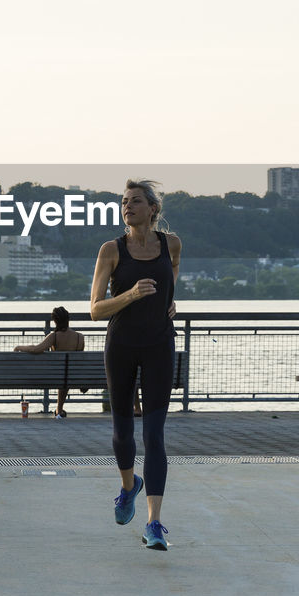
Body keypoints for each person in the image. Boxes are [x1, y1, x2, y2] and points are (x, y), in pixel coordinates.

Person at [89, 179, 181, 551]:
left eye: (135, 201)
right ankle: (129, 487)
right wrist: (130, 294)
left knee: (154, 435)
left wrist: (168, 303)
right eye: (124, 202)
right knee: (124, 432)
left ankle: (154, 523)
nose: (127, 207)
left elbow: (171, 277)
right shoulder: (111, 250)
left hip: (160, 344)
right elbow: (95, 310)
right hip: (121, 345)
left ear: (153, 209)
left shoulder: (170, 245)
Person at [13, 306, 85, 419]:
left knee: (62, 374)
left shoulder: (54, 336)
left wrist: (19, 347)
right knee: (66, 373)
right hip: (73, 375)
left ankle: (59, 410)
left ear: (55, 321)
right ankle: (59, 410)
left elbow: (36, 349)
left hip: (55, 375)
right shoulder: (80, 337)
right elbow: (80, 359)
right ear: (68, 319)